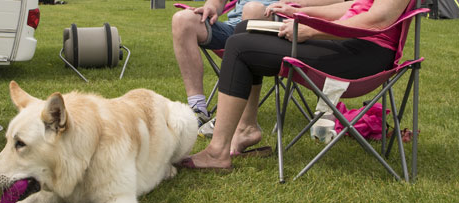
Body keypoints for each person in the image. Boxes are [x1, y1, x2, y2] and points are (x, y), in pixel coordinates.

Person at [178, 0, 412, 169]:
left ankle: (218, 152)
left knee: (240, 47)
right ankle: (245, 128)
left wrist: (311, 30)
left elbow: (379, 19)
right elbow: (354, 6)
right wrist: (299, 10)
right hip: (347, 41)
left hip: (364, 54)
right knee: (243, 29)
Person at [172, 0, 349, 135]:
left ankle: (240, 120)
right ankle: (198, 109)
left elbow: (340, 3)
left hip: (280, 28)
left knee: (253, 9)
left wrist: (291, 4)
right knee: (183, 20)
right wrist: (211, 6)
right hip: (234, 26)